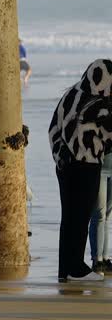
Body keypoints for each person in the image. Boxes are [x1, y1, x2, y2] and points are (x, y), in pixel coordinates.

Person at [49, 58, 112, 283]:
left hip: (65, 166)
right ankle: (76, 269)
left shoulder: (69, 96)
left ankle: (65, 270)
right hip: (87, 166)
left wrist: (60, 156)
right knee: (81, 218)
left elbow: (53, 129)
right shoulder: (101, 105)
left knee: (68, 219)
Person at [89, 152, 112, 273]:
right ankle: (97, 260)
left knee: (107, 216)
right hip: (99, 167)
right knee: (99, 215)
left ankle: (105, 258)